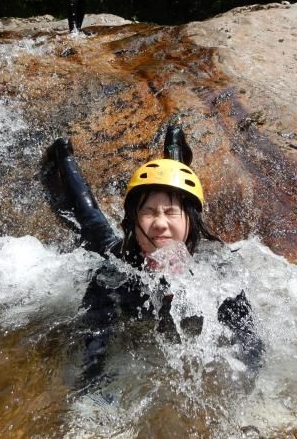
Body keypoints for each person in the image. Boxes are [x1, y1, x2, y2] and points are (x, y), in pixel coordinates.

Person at [44, 125, 263, 394]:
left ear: (191, 222)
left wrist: (247, 388)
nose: (159, 224)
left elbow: (250, 340)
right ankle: (62, 160)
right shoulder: (115, 273)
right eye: (147, 213)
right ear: (133, 223)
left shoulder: (217, 270)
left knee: (176, 189)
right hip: (120, 250)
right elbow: (93, 345)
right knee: (90, 219)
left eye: (170, 213)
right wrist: (91, 395)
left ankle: (174, 151)